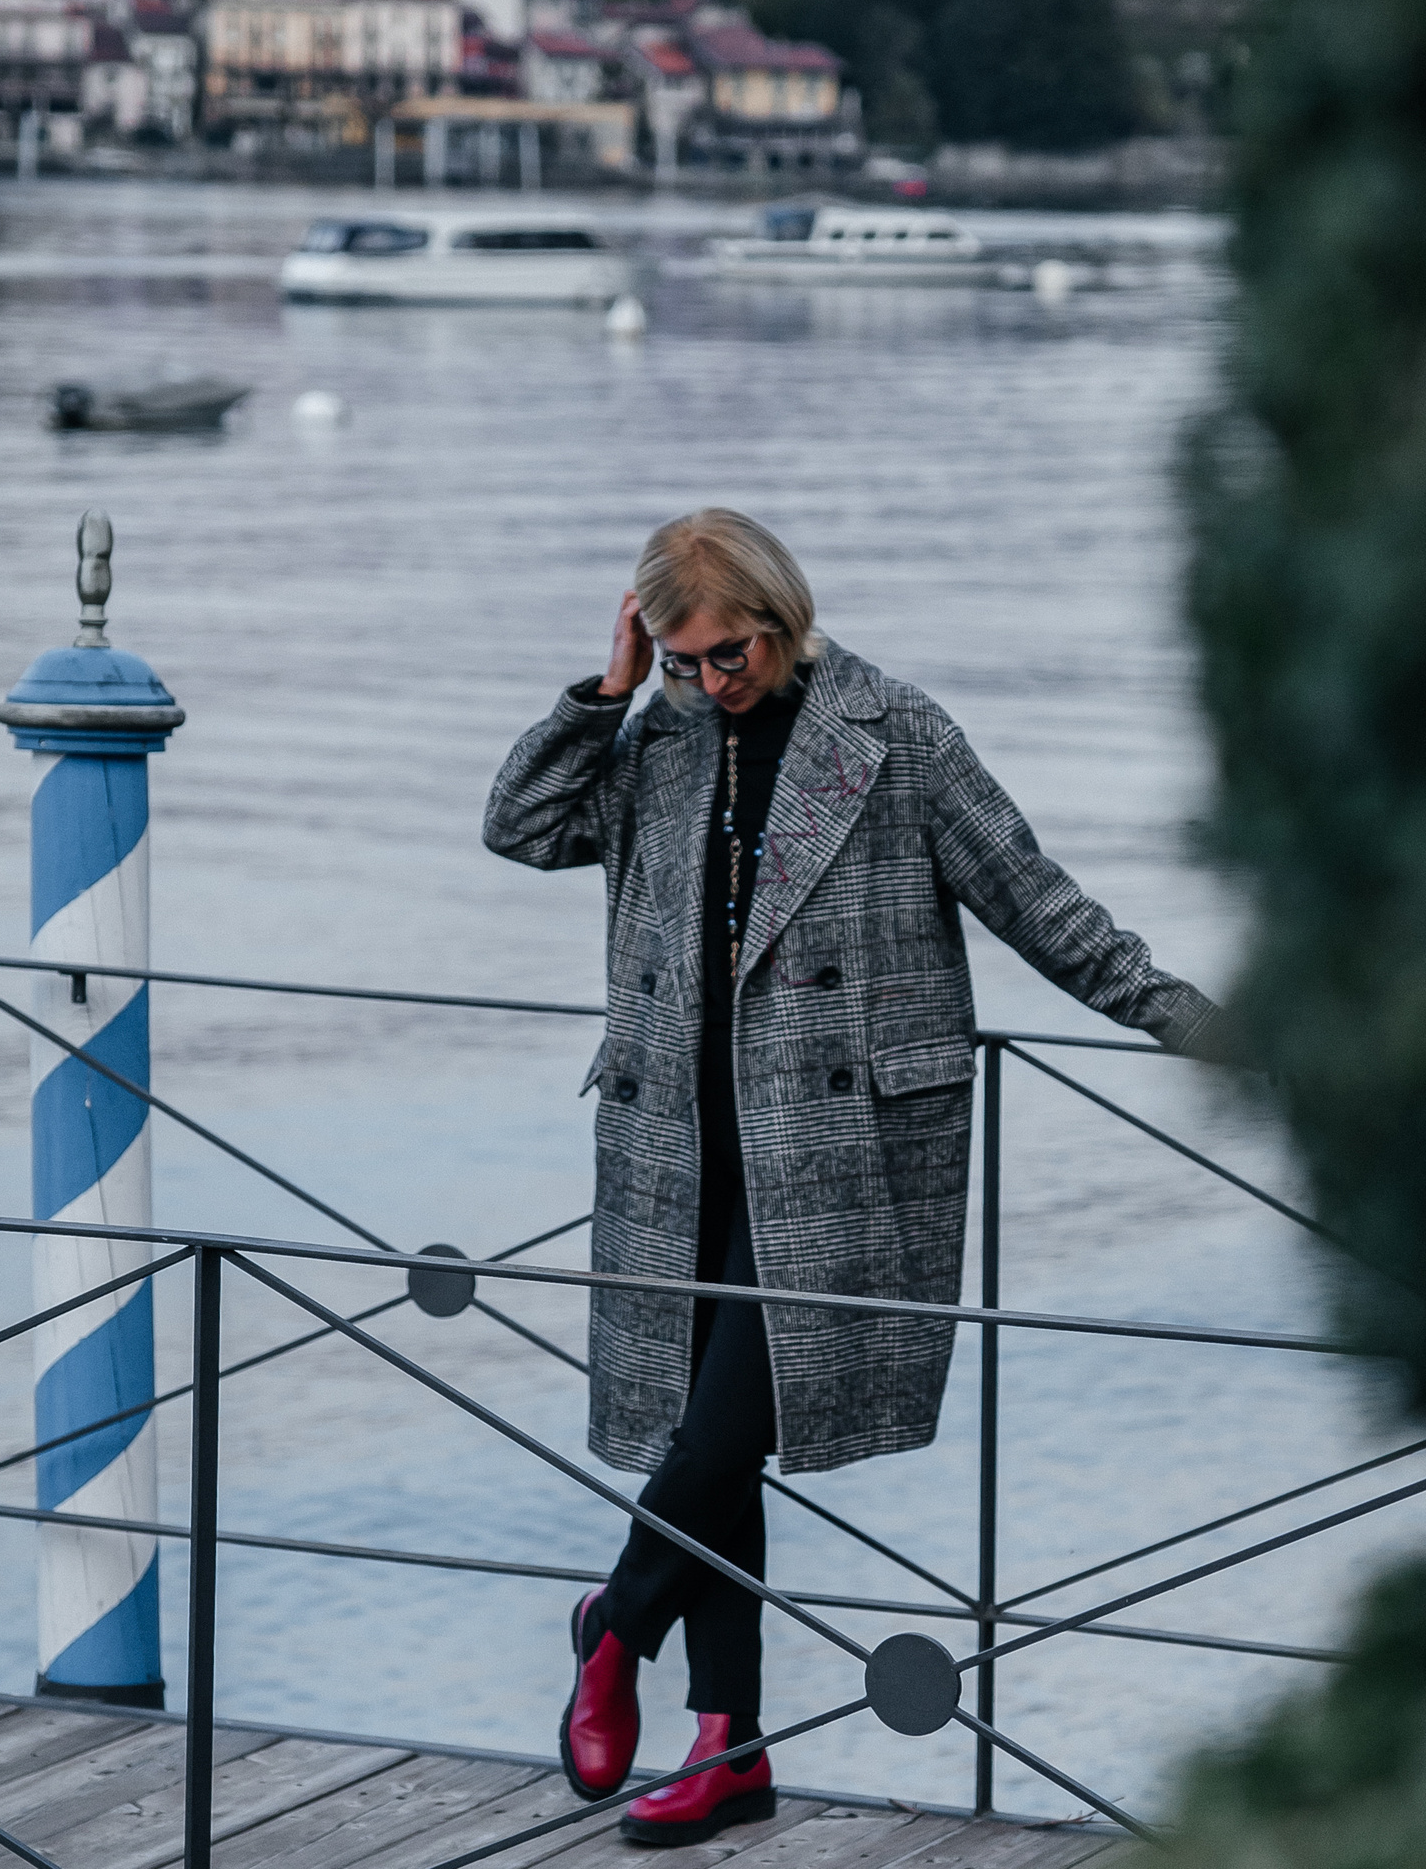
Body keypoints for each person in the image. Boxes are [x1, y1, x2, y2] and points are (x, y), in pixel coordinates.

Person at [483, 509, 1239, 1844]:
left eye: (730, 655)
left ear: (782, 615)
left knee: (723, 1427)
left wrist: (1205, 1024)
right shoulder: (653, 736)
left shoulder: (898, 738)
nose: (713, 684)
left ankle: (618, 1622)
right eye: (684, 660)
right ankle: (730, 1747)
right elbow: (524, 828)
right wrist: (602, 697)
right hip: (681, 1142)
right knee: (704, 1448)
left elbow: (1042, 907)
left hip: (837, 1161)